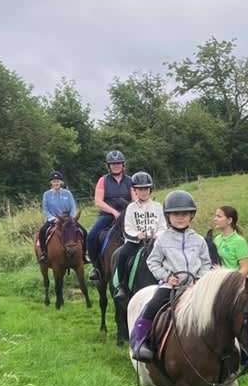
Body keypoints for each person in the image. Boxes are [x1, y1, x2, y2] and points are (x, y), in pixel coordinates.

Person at [129, 190, 214, 362]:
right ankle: (139, 341)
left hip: (195, 288)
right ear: (168, 216)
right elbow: (153, 262)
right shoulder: (162, 240)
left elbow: (206, 263)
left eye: (184, 214)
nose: (180, 217)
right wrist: (167, 277)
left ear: (191, 215)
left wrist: (200, 278)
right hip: (171, 287)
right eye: (175, 214)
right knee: (152, 305)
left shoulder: (199, 240)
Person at [111, 171, 165, 301]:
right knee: (122, 255)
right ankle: (122, 286)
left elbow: (163, 226)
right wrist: (137, 235)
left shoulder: (157, 206)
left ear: (150, 189)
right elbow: (128, 228)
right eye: (140, 189)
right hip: (135, 242)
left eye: (146, 189)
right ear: (135, 190)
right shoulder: (131, 208)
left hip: (155, 241)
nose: (144, 192)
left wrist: (157, 235)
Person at [86, 149, 132, 272]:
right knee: (91, 236)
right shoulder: (103, 180)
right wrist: (113, 212)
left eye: (118, 163)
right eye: (113, 164)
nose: (116, 166)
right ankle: (96, 267)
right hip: (107, 215)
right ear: (109, 166)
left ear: (123, 165)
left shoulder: (130, 181)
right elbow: (98, 201)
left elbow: (135, 200)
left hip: (127, 216)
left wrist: (126, 212)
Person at [36, 171, 79, 263]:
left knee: (83, 231)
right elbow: (45, 210)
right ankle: (44, 254)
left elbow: (73, 207)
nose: (56, 183)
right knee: (42, 231)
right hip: (54, 220)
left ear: (61, 182)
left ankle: (84, 254)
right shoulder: (46, 194)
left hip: (68, 220)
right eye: (54, 181)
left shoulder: (68, 193)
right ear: (51, 183)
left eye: (57, 181)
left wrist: (71, 219)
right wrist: (53, 219)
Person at [211, 205, 248, 274]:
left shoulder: (239, 241)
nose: (215, 219)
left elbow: (245, 268)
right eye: (215, 216)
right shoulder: (216, 239)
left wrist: (233, 281)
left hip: (232, 281)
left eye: (219, 216)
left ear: (229, 220)